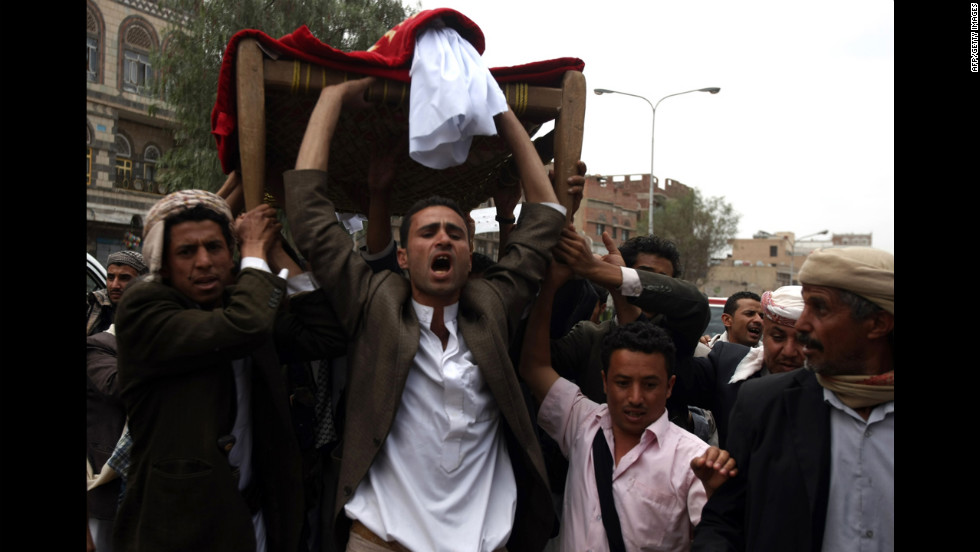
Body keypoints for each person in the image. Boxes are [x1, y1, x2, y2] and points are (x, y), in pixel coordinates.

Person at [282, 77, 569, 552]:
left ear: (471, 251)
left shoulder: (491, 310)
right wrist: (332, 96)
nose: (442, 240)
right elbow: (310, 216)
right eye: (428, 232)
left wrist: (498, 109)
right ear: (401, 256)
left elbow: (546, 215)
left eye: (455, 233)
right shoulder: (374, 306)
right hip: (380, 541)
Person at [112, 190, 347, 552]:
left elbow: (325, 337)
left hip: (256, 522)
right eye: (186, 252)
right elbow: (245, 324)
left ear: (230, 252)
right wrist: (253, 250)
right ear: (164, 264)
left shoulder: (244, 303)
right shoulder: (145, 309)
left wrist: (274, 248)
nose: (204, 262)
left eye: (215, 247)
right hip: (180, 532)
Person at [520, 253, 736, 551]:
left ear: (670, 386)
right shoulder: (582, 423)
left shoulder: (695, 461)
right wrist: (551, 287)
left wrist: (716, 495)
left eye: (649, 385)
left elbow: (718, 537)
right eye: (623, 383)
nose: (636, 398)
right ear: (605, 382)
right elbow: (534, 367)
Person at [692, 246, 894, 551]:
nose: (801, 325)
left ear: (877, 324)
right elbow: (725, 523)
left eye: (820, 308)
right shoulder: (764, 404)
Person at [681, 285, 805, 447]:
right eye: (777, 337)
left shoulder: (837, 387)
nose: (789, 351)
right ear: (764, 329)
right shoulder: (727, 364)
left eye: (802, 340)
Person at [86, 250, 147, 335]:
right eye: (111, 277)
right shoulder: (94, 304)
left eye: (124, 278)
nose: (115, 285)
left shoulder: (151, 311)